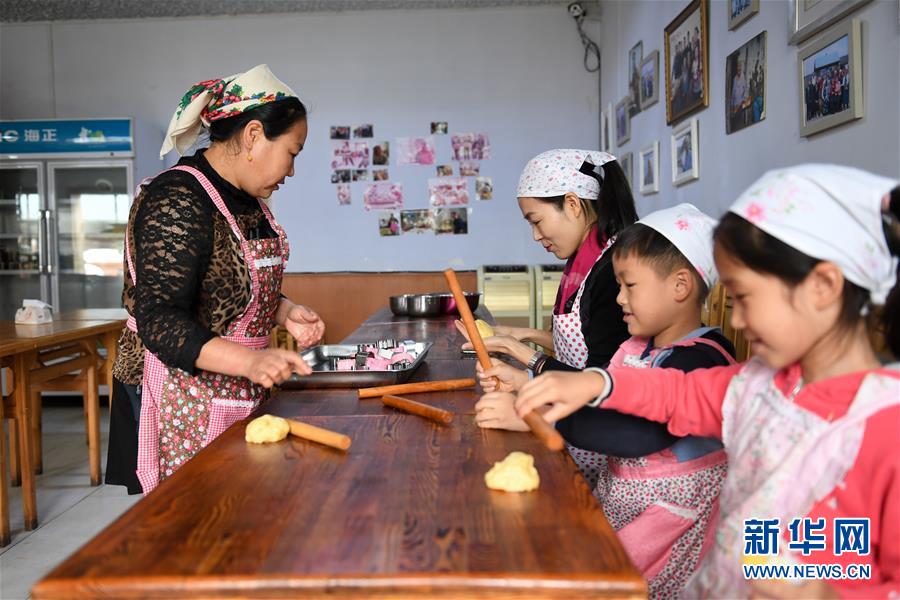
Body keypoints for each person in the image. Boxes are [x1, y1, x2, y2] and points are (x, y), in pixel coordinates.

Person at [514, 165, 900, 598]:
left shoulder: (885, 426)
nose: (737, 319)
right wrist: (598, 385)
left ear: (823, 286)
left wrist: (826, 594)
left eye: (744, 298)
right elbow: (678, 392)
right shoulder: (756, 385)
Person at [478, 204, 736, 598]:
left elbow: (641, 433)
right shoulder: (636, 347)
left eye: (629, 286)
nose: (619, 299)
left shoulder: (704, 359)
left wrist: (537, 417)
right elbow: (593, 393)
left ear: (680, 286)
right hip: (625, 506)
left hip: (672, 531)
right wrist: (526, 382)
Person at [106, 65, 323, 496]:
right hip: (180, 397)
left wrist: (285, 311)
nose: (292, 171)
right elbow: (159, 321)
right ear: (254, 135)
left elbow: (226, 282)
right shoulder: (177, 199)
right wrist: (251, 362)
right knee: (195, 519)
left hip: (237, 390)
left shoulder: (247, 200)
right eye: (293, 152)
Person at [458, 149, 638, 489]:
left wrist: (521, 356)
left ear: (572, 204)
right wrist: (521, 335)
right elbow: (583, 344)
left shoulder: (612, 271)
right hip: (572, 426)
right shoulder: (584, 261)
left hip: (594, 447)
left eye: (536, 221)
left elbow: (601, 380)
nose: (536, 236)